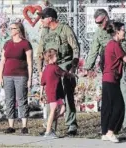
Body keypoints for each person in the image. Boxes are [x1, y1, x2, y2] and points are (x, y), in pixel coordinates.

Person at [83, 9, 126, 136]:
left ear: (106, 18)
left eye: (101, 22)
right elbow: (93, 50)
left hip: (124, 66)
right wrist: (88, 67)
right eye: (97, 23)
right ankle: (109, 128)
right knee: (110, 100)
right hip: (110, 69)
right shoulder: (99, 33)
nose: (99, 25)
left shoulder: (121, 28)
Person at [37, 7, 80, 135]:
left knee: (67, 94)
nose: (41, 20)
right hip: (51, 67)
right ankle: (50, 127)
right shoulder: (45, 32)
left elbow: (75, 48)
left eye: (43, 18)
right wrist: (40, 70)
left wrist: (73, 66)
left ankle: (71, 125)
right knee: (53, 96)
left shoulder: (64, 29)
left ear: (50, 19)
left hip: (65, 64)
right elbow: (40, 51)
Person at [101, 21, 126, 143]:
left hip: (107, 79)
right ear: (117, 32)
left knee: (108, 106)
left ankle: (105, 132)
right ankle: (111, 131)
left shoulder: (111, 44)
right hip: (111, 79)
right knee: (119, 106)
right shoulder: (115, 45)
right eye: (122, 29)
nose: (124, 31)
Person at [0, 22, 33, 134]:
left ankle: (24, 126)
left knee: (22, 99)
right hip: (7, 75)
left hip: (21, 76)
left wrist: (30, 78)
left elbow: (29, 62)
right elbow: (2, 61)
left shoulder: (25, 44)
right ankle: (11, 126)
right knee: (9, 100)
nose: (10, 30)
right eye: (10, 28)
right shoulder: (7, 43)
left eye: (12, 28)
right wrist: (0, 76)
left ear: (18, 30)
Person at [40, 49, 77, 138]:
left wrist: (41, 93)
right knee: (53, 110)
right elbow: (64, 74)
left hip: (57, 93)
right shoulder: (54, 67)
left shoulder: (46, 69)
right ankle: (48, 132)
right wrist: (73, 75)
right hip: (53, 93)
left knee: (63, 108)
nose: (57, 57)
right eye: (56, 56)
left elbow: (42, 82)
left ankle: (49, 121)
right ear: (50, 58)